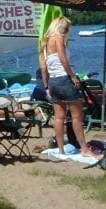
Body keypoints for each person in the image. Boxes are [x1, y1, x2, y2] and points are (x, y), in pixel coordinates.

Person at [39, 16, 88, 155]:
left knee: (59, 117)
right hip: (64, 79)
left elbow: (43, 67)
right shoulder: (58, 38)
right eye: (67, 29)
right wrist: (73, 76)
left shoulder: (45, 43)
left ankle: (61, 149)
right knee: (77, 116)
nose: (67, 32)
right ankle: (84, 148)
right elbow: (62, 58)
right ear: (62, 28)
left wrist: (46, 86)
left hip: (53, 82)